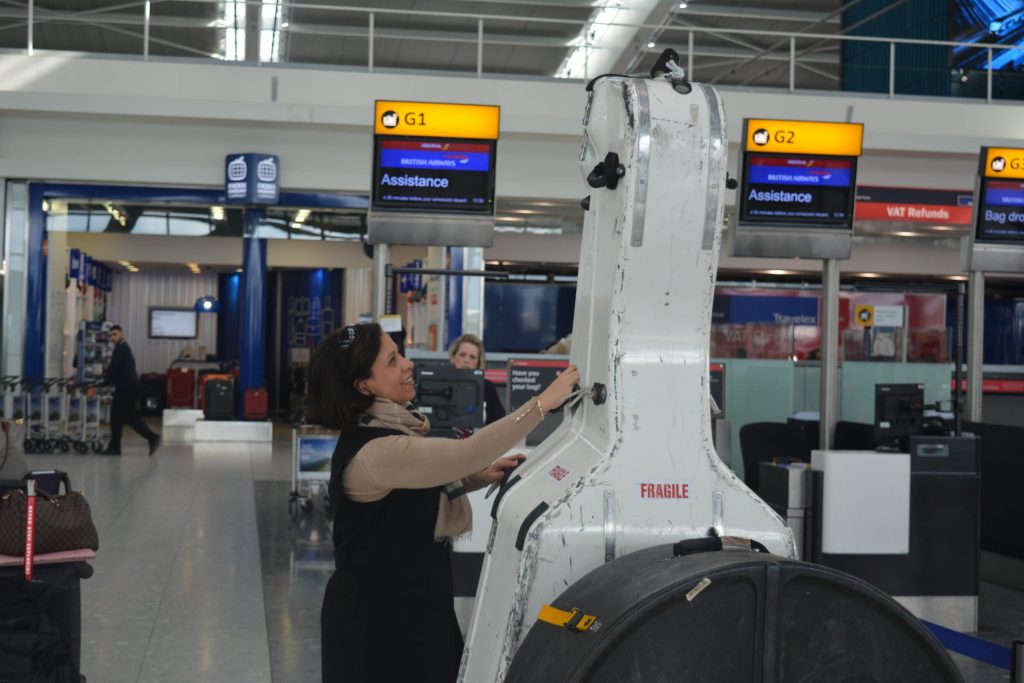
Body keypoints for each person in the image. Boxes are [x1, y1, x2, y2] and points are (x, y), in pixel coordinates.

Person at [309, 323, 579, 682]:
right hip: (378, 626)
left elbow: (416, 485)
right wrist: (543, 403)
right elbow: (469, 451)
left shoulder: (390, 431)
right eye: (392, 361)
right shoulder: (376, 451)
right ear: (365, 385)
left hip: (414, 608)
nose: (407, 365)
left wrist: (477, 477)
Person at [102, 325, 161, 456]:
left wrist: (104, 382)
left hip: (126, 388)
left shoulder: (121, 349)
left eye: (115, 334)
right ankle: (153, 437)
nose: (112, 338)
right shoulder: (123, 348)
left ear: (122, 334)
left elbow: (113, 369)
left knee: (116, 416)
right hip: (130, 387)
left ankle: (115, 448)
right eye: (110, 335)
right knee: (131, 418)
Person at [448, 333, 506, 425]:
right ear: (453, 358)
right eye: (462, 355)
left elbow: (501, 423)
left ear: (478, 363)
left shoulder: (487, 388)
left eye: (472, 357)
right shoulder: (440, 383)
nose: (466, 360)